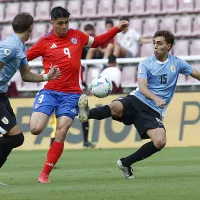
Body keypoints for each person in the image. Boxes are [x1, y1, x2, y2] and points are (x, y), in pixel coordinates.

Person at [26, 6, 129, 183]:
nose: (64, 27)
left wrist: (116, 30)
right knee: (35, 129)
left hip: (72, 94)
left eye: (66, 22)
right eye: (60, 23)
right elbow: (24, 58)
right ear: (52, 22)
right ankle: (84, 112)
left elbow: (97, 41)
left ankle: (44, 175)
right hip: (49, 91)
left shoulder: (77, 36)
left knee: (61, 131)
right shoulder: (44, 42)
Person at [79, 30, 200, 179]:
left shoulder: (177, 63)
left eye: (160, 43)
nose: (155, 46)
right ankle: (86, 114)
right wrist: (155, 98)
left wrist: (156, 101)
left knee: (160, 141)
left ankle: (126, 163)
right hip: (137, 100)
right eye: (154, 43)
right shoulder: (146, 63)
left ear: (169, 46)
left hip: (153, 111)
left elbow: (196, 73)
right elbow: (142, 87)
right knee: (115, 107)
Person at [0, 12, 60, 178]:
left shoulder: (19, 47)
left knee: (16, 139)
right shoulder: (11, 46)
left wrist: (47, 76)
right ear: (30, 28)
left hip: (2, 96)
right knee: (15, 137)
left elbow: (26, 75)